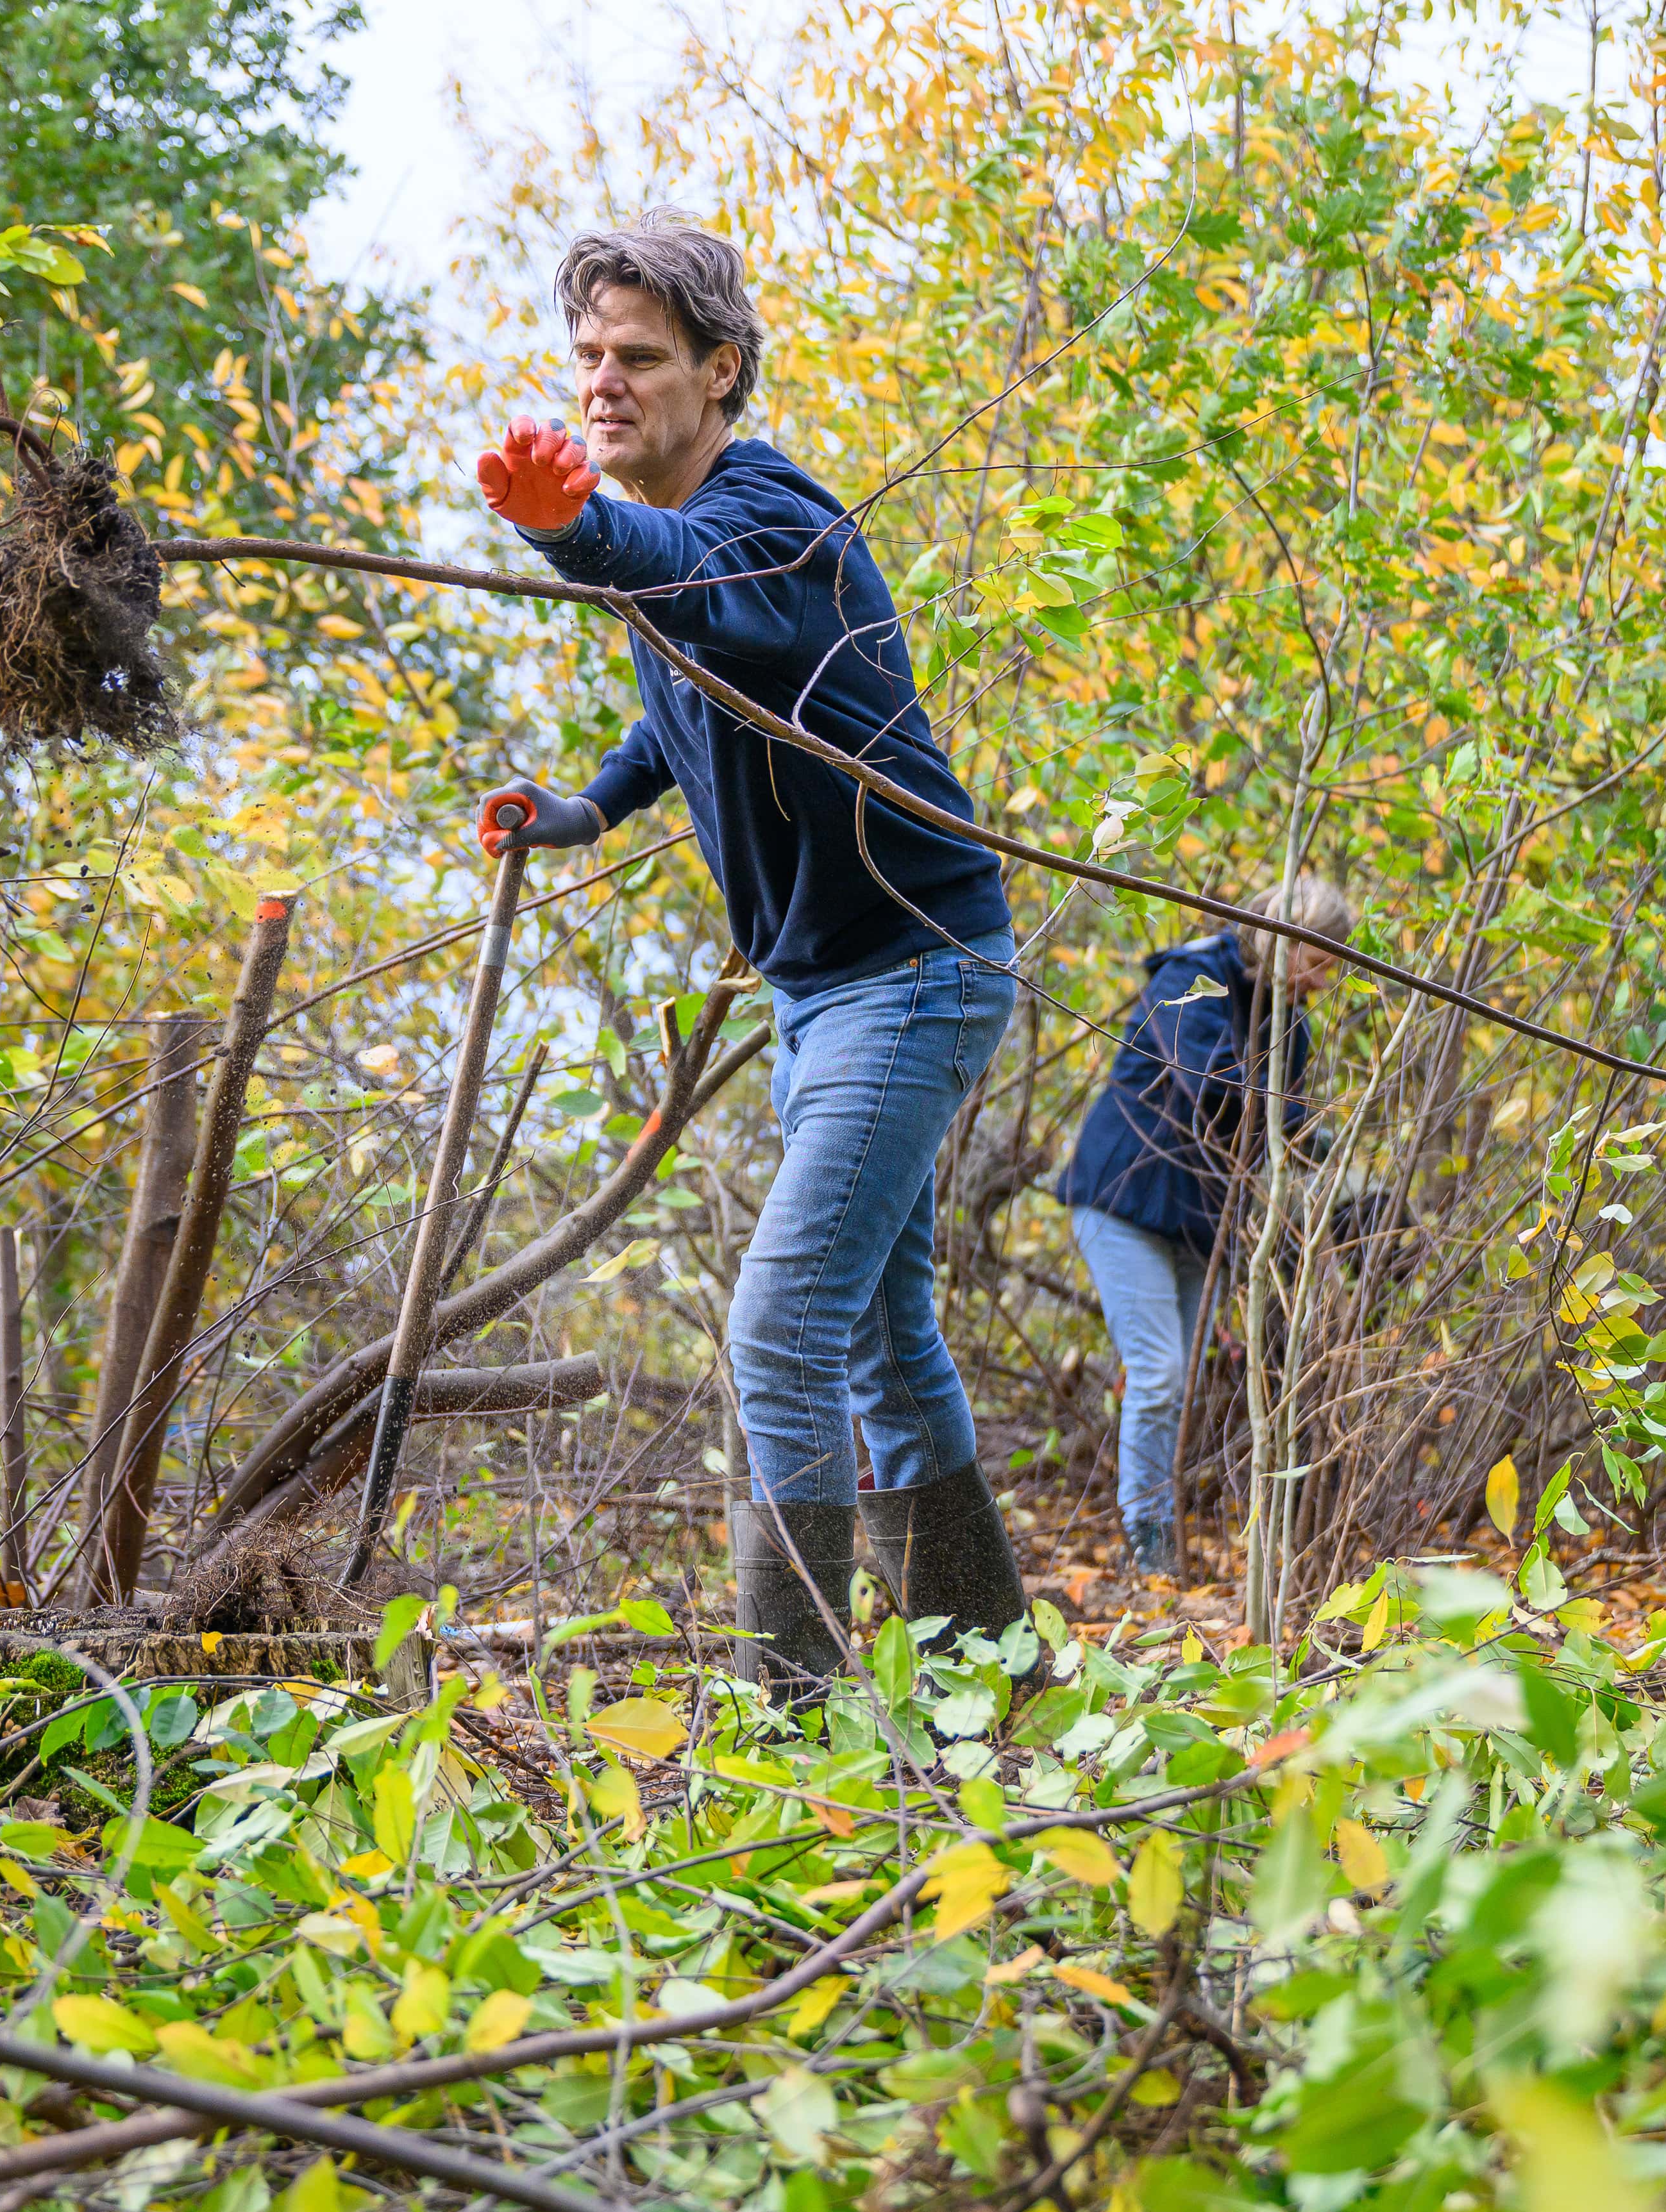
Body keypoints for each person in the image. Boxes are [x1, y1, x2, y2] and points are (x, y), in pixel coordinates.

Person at [465, 213, 1026, 1702]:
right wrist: (588, 807)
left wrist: (571, 526)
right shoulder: (681, 546)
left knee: (779, 1328)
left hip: (912, 968)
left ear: (718, 370)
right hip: (820, 990)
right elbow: (680, 700)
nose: (603, 380)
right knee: (884, 1342)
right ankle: (989, 1676)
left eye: (639, 357)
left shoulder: (766, 517)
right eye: (588, 355)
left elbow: (680, 572)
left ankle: (797, 1708)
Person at [1052, 879, 1352, 1582]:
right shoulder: (1191, 977)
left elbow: (1280, 1132)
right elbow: (1210, 1082)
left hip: (1200, 1222)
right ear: (1280, 935)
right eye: (1316, 959)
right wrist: (1293, 1123)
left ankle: (1161, 1535)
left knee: (1180, 1385)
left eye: (1332, 966)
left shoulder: (1290, 1024)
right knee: (1159, 1372)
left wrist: (1311, 1143)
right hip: (1122, 1200)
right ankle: (1147, 1537)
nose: (1323, 979)